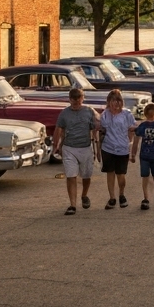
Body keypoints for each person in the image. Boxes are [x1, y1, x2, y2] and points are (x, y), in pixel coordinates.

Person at [53, 87, 99, 216]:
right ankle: (72, 205)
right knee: (71, 175)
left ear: (82, 98)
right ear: (69, 100)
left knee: (86, 175)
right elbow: (59, 129)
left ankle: (84, 195)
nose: (76, 102)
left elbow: (96, 127)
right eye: (73, 99)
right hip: (69, 148)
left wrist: (98, 148)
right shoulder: (64, 113)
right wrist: (55, 145)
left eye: (78, 99)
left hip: (85, 147)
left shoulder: (89, 111)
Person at [97, 88, 136, 209]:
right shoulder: (105, 115)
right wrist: (98, 150)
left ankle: (121, 194)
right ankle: (112, 197)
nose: (116, 103)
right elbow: (101, 132)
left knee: (121, 174)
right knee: (110, 173)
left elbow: (132, 129)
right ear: (109, 102)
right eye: (113, 101)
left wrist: (130, 143)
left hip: (122, 148)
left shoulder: (127, 114)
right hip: (108, 147)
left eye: (118, 101)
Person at [129, 102, 154, 210]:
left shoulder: (153, 125)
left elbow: (136, 141)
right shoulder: (149, 125)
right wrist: (133, 154)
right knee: (150, 176)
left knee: (149, 176)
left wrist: (133, 155)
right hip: (150, 155)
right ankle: (151, 195)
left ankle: (152, 195)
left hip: (150, 156)